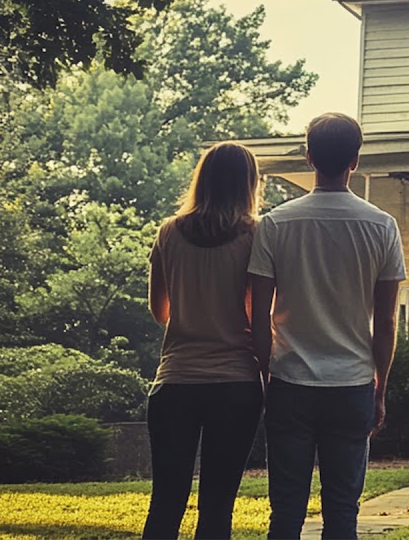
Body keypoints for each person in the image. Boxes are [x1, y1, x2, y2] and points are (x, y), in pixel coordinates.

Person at [248, 113, 405, 539]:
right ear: (355, 160)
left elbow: (258, 315)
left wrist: (264, 377)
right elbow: (386, 321)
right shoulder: (382, 226)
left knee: (284, 513)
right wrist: (380, 386)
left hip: (290, 380)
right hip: (352, 384)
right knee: (342, 514)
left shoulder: (275, 224)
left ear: (308, 156)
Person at [143, 142, 266, 540]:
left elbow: (160, 311)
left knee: (166, 500)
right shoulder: (254, 236)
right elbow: (257, 313)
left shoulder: (169, 232)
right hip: (235, 383)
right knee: (217, 506)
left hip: (175, 381)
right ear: (249, 183)